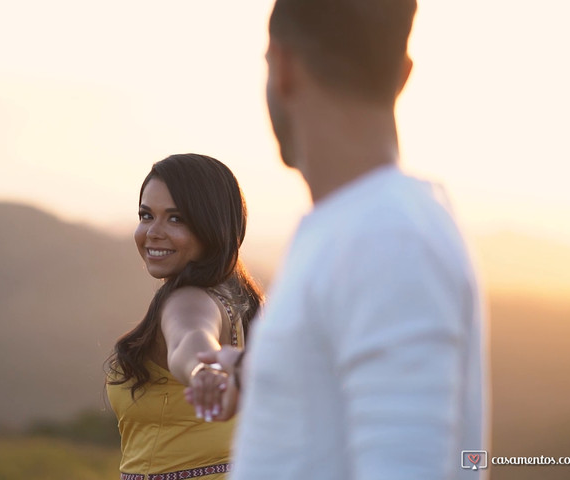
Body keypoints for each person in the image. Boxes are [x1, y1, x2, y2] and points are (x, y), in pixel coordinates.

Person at [187, 1, 489, 479]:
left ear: (282, 67)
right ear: (403, 75)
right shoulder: (366, 228)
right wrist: (262, 372)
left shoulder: (387, 239)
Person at [106, 153, 263, 479]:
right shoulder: (239, 301)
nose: (153, 232)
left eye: (176, 219)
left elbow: (190, 338)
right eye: (146, 215)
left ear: (211, 226)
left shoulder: (187, 299)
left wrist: (202, 368)